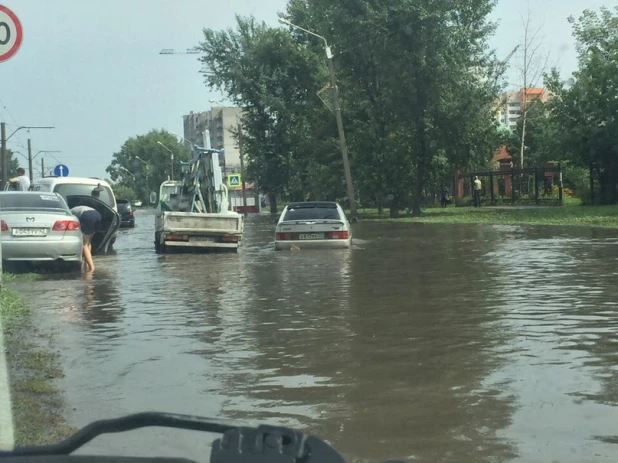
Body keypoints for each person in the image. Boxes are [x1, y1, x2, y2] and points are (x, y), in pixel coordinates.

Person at [70, 205, 102, 272]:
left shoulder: (70, 212)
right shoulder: (78, 208)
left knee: (84, 244)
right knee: (88, 243)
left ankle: (91, 267)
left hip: (87, 215)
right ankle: (86, 265)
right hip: (98, 215)